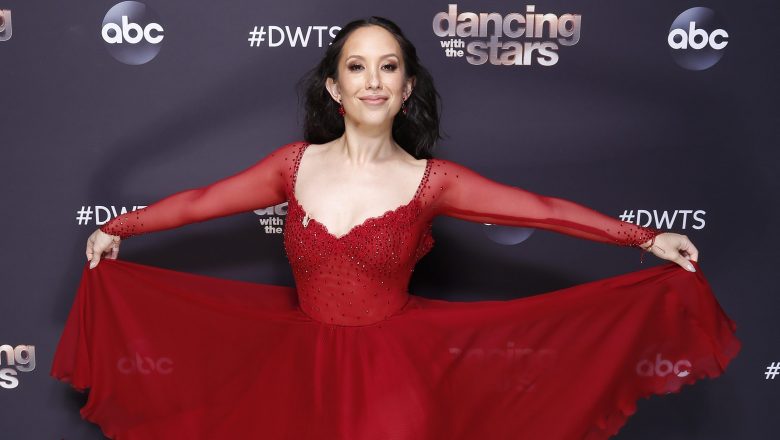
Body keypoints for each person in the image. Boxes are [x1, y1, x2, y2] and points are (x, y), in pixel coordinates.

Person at [52, 16, 740, 440]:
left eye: (389, 67)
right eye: (357, 67)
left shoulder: (434, 181)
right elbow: (202, 200)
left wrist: (645, 238)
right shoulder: (290, 166)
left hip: (394, 375)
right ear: (335, 87)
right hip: (299, 368)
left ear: (407, 88)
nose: (373, 81)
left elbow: (544, 210)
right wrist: (121, 227)